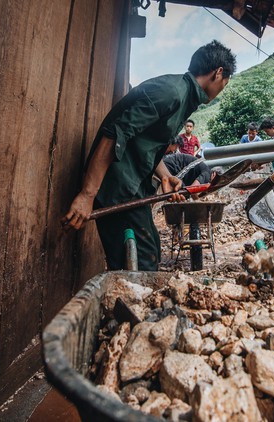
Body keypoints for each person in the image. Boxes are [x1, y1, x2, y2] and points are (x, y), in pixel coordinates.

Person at [61, 41, 237, 271]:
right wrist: (87, 194)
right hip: (117, 188)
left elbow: (144, 145)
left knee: (150, 249)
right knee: (140, 262)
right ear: (218, 72)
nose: (223, 87)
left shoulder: (184, 99)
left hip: (134, 188)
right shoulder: (170, 93)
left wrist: (165, 176)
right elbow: (114, 134)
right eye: (225, 82)